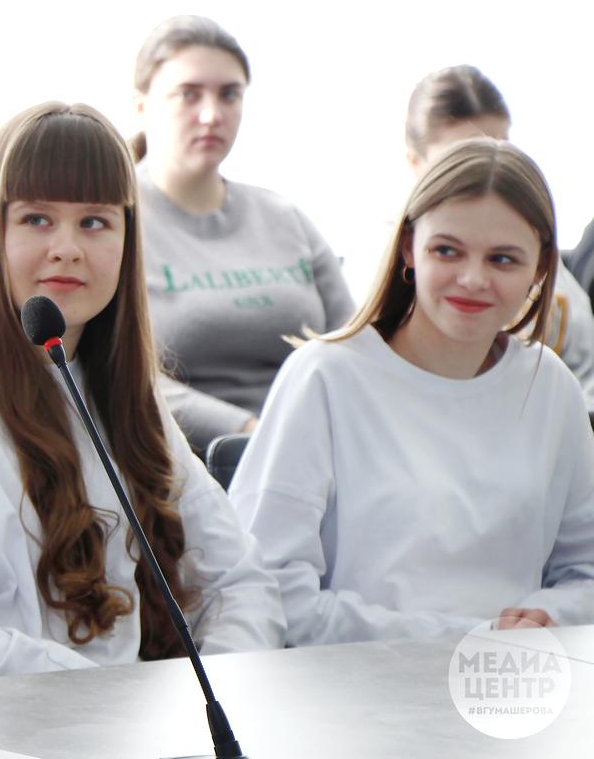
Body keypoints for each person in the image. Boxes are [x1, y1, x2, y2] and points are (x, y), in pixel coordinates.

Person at [0, 102, 285, 683]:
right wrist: (115, 703)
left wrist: (209, 694)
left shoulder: (125, 396)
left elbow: (241, 583)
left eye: (94, 222)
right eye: (37, 219)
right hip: (13, 722)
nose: (67, 247)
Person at [230, 138, 594, 646]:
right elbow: (268, 591)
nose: (472, 278)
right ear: (408, 248)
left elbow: (586, 572)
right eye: (447, 250)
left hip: (511, 679)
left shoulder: (550, 386)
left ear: (540, 268)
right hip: (351, 682)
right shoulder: (324, 378)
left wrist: (546, 617)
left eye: (503, 259)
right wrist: (467, 637)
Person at [131, 15, 355, 452]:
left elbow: (355, 346)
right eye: (188, 94)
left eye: (229, 94)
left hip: (320, 450)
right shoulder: (111, 224)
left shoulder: (285, 217)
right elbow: (108, 372)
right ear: (141, 106)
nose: (211, 114)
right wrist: (254, 433)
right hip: (183, 465)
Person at [405, 65, 594, 410]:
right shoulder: (384, 268)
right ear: (416, 163)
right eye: (459, 159)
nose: (485, 172)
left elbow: (586, 362)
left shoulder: (535, 258)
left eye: (498, 148)